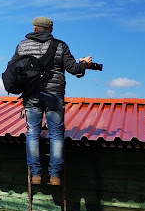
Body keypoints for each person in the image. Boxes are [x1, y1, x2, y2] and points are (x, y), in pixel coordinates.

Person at [8, 16, 92, 186]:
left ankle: (36, 174)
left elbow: (12, 66)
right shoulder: (60, 45)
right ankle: (55, 176)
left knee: (32, 133)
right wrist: (85, 64)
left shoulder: (23, 45)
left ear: (34, 29)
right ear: (51, 29)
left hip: (31, 95)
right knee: (56, 134)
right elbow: (73, 69)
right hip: (54, 94)